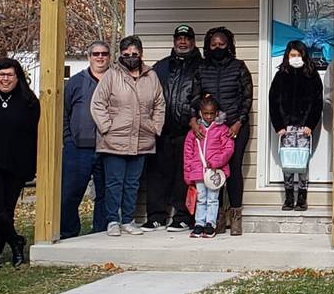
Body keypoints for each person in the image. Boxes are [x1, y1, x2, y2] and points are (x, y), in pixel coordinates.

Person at [90, 35, 166, 235]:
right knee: (115, 182)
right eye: (126, 54)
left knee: (132, 183)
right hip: (114, 140)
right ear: (120, 55)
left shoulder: (151, 76)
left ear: (141, 54)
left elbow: (159, 103)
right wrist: (107, 127)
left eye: (135, 54)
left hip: (143, 138)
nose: (131, 57)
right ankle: (113, 220)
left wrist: (155, 126)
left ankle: (128, 220)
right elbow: (98, 104)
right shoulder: (111, 75)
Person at [0, 58, 39, 268]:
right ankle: (15, 240)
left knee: (7, 209)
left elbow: (33, 135)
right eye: (1, 75)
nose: (5, 79)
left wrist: (32, 167)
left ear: (17, 77)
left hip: (17, 163)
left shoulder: (29, 100)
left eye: (9, 75)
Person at [145, 23, 201, 230]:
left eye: (187, 38)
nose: (183, 42)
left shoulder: (201, 66)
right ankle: (156, 216)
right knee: (158, 175)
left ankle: (183, 216)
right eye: (179, 38)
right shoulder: (160, 66)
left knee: (184, 177)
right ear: (174, 41)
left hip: (188, 131)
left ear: (193, 42)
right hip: (161, 130)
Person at [200, 26, 252, 234]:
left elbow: (246, 98)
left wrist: (238, 122)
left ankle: (236, 216)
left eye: (222, 44)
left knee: (234, 170)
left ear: (229, 45)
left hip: (235, 126)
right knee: (214, 170)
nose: (218, 47)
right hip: (213, 129)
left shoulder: (239, 67)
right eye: (213, 44)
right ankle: (218, 217)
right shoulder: (202, 68)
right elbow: (195, 96)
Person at [62, 42, 111, 238]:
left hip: (108, 147)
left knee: (105, 195)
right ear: (89, 56)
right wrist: (68, 137)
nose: (100, 57)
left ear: (109, 56)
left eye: (104, 54)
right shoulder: (75, 82)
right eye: (96, 54)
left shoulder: (115, 80)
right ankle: (68, 231)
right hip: (79, 147)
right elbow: (64, 112)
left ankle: (100, 232)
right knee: (70, 193)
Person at [269, 38, 323, 211]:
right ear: (287, 56)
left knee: (302, 162)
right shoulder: (281, 75)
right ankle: (288, 196)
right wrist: (279, 126)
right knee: (287, 162)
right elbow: (273, 101)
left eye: (299, 55)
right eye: (292, 55)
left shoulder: (311, 74)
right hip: (286, 127)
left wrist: (310, 124)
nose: (295, 58)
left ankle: (302, 197)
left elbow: (317, 102)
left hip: (304, 127)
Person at [183, 93, 235, 238]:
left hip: (214, 173)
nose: (209, 117)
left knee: (213, 198)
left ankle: (210, 224)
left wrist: (217, 162)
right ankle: (199, 223)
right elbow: (187, 154)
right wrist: (188, 174)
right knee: (200, 198)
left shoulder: (222, 129)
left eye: (212, 113)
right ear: (200, 113)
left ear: (217, 113)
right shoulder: (194, 131)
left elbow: (228, 149)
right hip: (198, 171)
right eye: (206, 114)